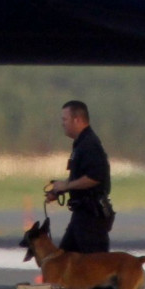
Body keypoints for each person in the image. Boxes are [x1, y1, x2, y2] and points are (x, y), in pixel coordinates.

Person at [45, 100, 114, 253]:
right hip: (81, 215)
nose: (62, 124)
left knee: (96, 267)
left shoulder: (89, 144)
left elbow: (94, 177)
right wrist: (59, 189)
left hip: (91, 217)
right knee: (63, 264)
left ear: (77, 120)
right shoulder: (80, 143)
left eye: (65, 119)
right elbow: (80, 177)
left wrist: (66, 186)